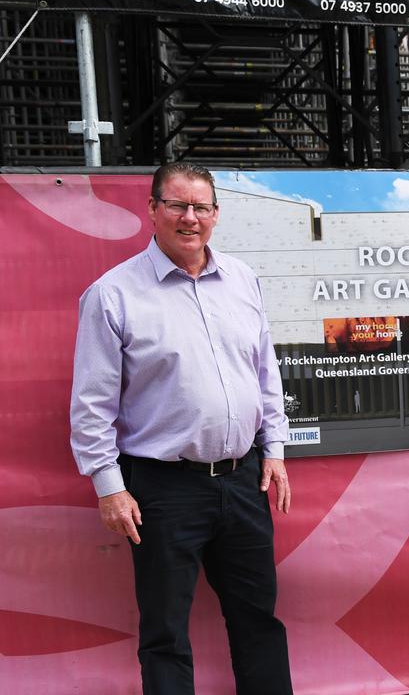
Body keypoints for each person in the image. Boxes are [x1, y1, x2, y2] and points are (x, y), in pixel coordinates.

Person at [70, 162, 294, 695]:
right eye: (177, 205)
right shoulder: (112, 295)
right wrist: (109, 488)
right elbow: (90, 405)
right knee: (166, 634)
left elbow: (265, 372)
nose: (189, 217)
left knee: (258, 621)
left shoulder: (243, 280)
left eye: (201, 207)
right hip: (161, 490)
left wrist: (276, 448)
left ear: (216, 215)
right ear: (152, 210)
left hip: (243, 483)